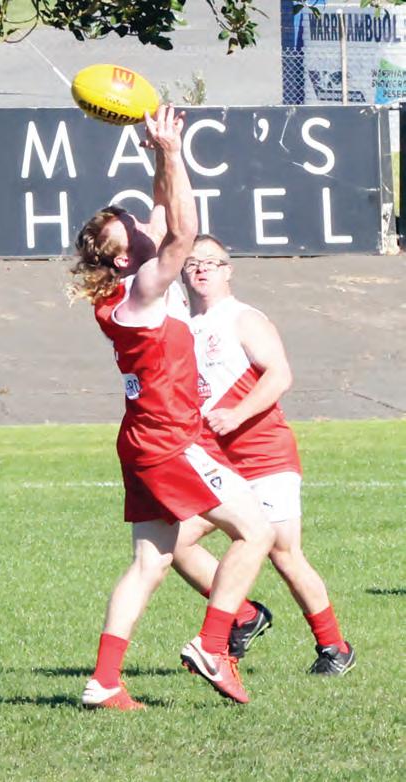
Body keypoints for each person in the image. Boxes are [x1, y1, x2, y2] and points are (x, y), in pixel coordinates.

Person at [70, 106, 274, 710]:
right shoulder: (144, 287)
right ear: (123, 258)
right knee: (256, 530)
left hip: (144, 437)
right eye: (130, 229)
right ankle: (213, 645)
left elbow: (163, 211)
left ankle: (104, 682)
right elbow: (183, 233)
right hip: (171, 438)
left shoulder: (129, 283)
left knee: (150, 563)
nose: (141, 224)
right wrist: (175, 151)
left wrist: (161, 153)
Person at [172, 233, 355, 676]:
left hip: (262, 454)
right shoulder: (181, 326)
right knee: (174, 541)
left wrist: (237, 415)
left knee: (283, 553)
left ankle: (335, 647)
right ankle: (244, 616)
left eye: (211, 262)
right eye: (193, 262)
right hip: (216, 460)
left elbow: (279, 375)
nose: (202, 268)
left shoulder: (243, 318)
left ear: (228, 271)